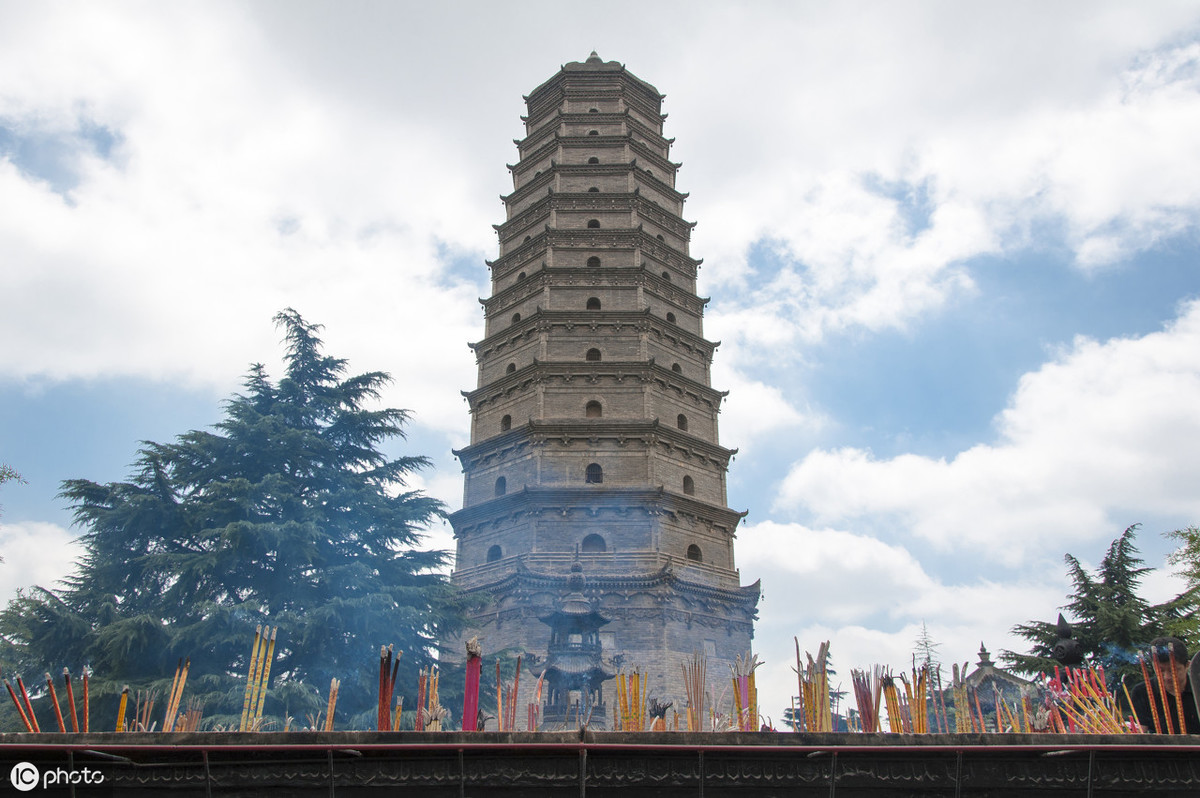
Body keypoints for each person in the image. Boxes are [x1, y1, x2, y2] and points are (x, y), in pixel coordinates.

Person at [1126, 637, 1199, 734]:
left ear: (1187, 665)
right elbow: (1141, 731)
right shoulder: (1142, 691)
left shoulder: (1197, 688)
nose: (1167, 677)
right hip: (1160, 748)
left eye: (1173, 670)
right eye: (1161, 670)